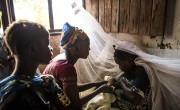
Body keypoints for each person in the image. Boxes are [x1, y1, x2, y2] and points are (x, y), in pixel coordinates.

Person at [0, 20, 72, 110]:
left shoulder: (47, 81)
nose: (51, 48)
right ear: (32, 49)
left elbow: (67, 106)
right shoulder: (16, 97)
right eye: (46, 44)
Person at [43, 22, 113, 109]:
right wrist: (99, 90)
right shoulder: (66, 67)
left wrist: (98, 83)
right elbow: (75, 104)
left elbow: (72, 88)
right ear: (75, 48)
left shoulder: (60, 58)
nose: (89, 49)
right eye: (87, 46)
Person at [110, 45, 151, 110]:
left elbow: (135, 99)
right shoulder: (129, 70)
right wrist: (113, 81)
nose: (119, 68)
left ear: (129, 60)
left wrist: (121, 82)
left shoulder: (141, 72)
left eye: (120, 64)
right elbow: (120, 83)